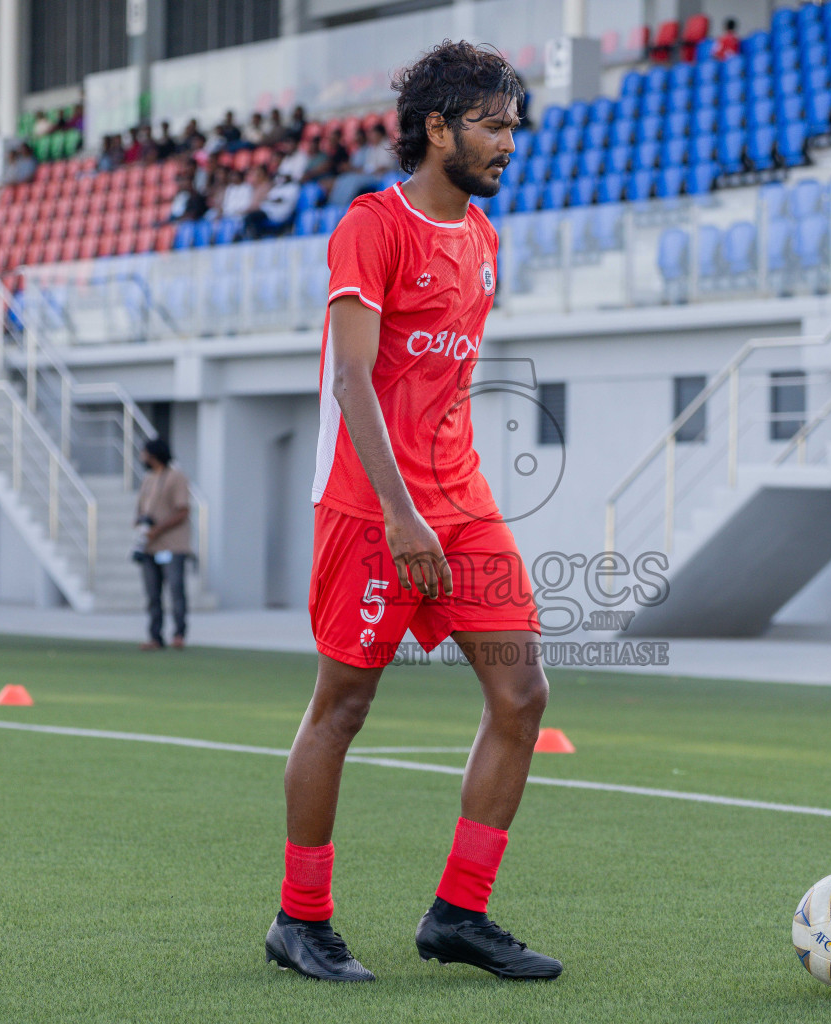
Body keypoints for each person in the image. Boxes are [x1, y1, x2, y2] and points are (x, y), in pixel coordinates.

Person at [265, 39, 561, 985]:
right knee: (342, 708)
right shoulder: (371, 225)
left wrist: (440, 503)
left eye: (514, 126)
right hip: (370, 507)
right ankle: (300, 920)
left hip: (461, 502)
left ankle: (459, 915)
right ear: (437, 128)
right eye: (492, 125)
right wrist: (400, 514)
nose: (508, 142)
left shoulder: (485, 239)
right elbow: (353, 379)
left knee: (522, 695)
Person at [134, 437, 192, 651]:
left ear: (154, 454)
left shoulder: (176, 477)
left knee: (176, 590)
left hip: (172, 545)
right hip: (149, 546)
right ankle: (155, 636)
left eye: (145, 453)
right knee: (152, 594)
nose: (142, 457)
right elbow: (141, 510)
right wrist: (142, 525)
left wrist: (158, 529)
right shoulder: (148, 479)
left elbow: (183, 511)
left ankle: (179, 634)